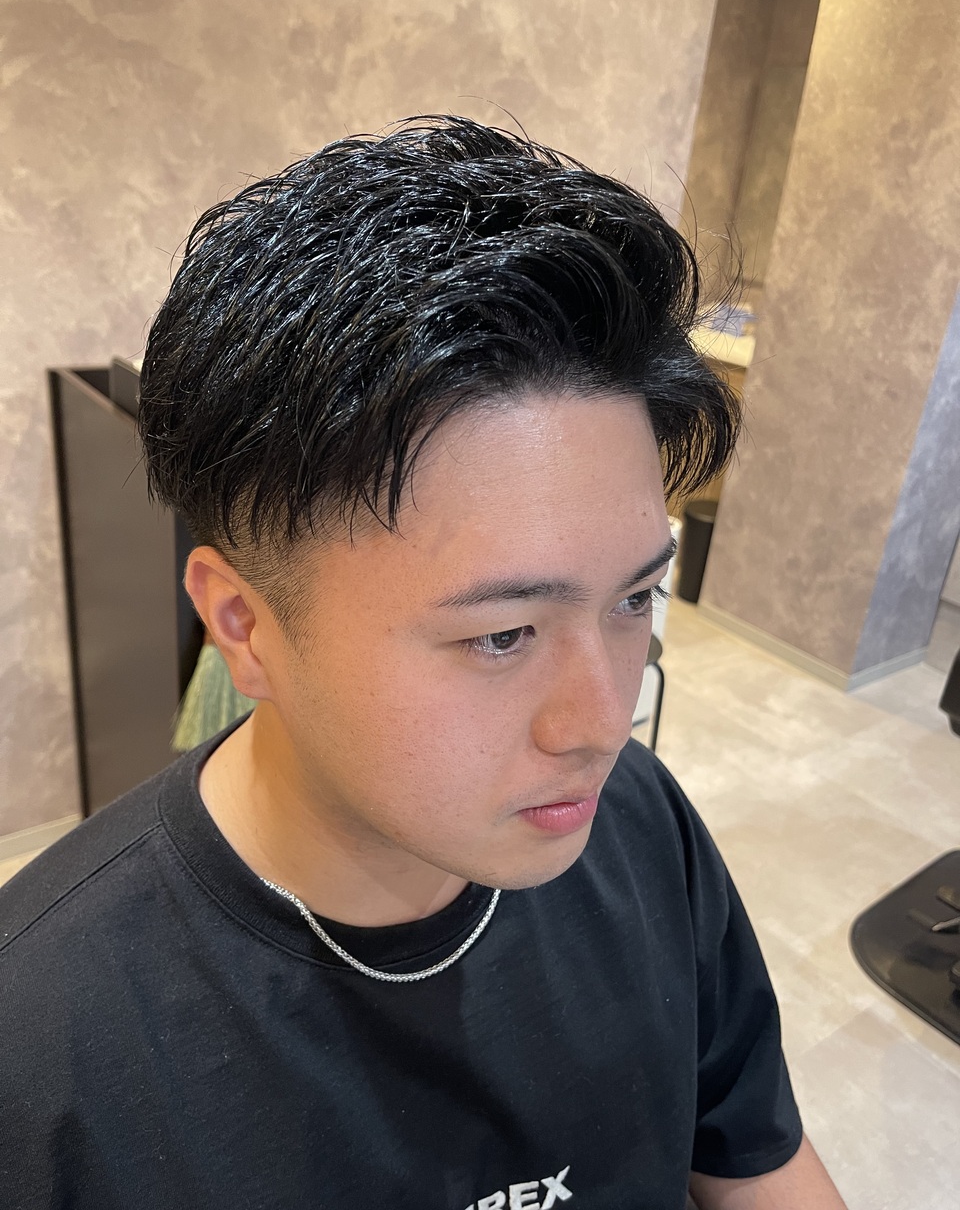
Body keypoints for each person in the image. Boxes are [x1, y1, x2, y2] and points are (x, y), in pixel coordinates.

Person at [0, 117, 847, 1209]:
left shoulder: (643, 828)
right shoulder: (44, 1052)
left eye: (634, 599)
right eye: (501, 634)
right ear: (243, 626)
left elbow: (756, 1161)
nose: (602, 723)